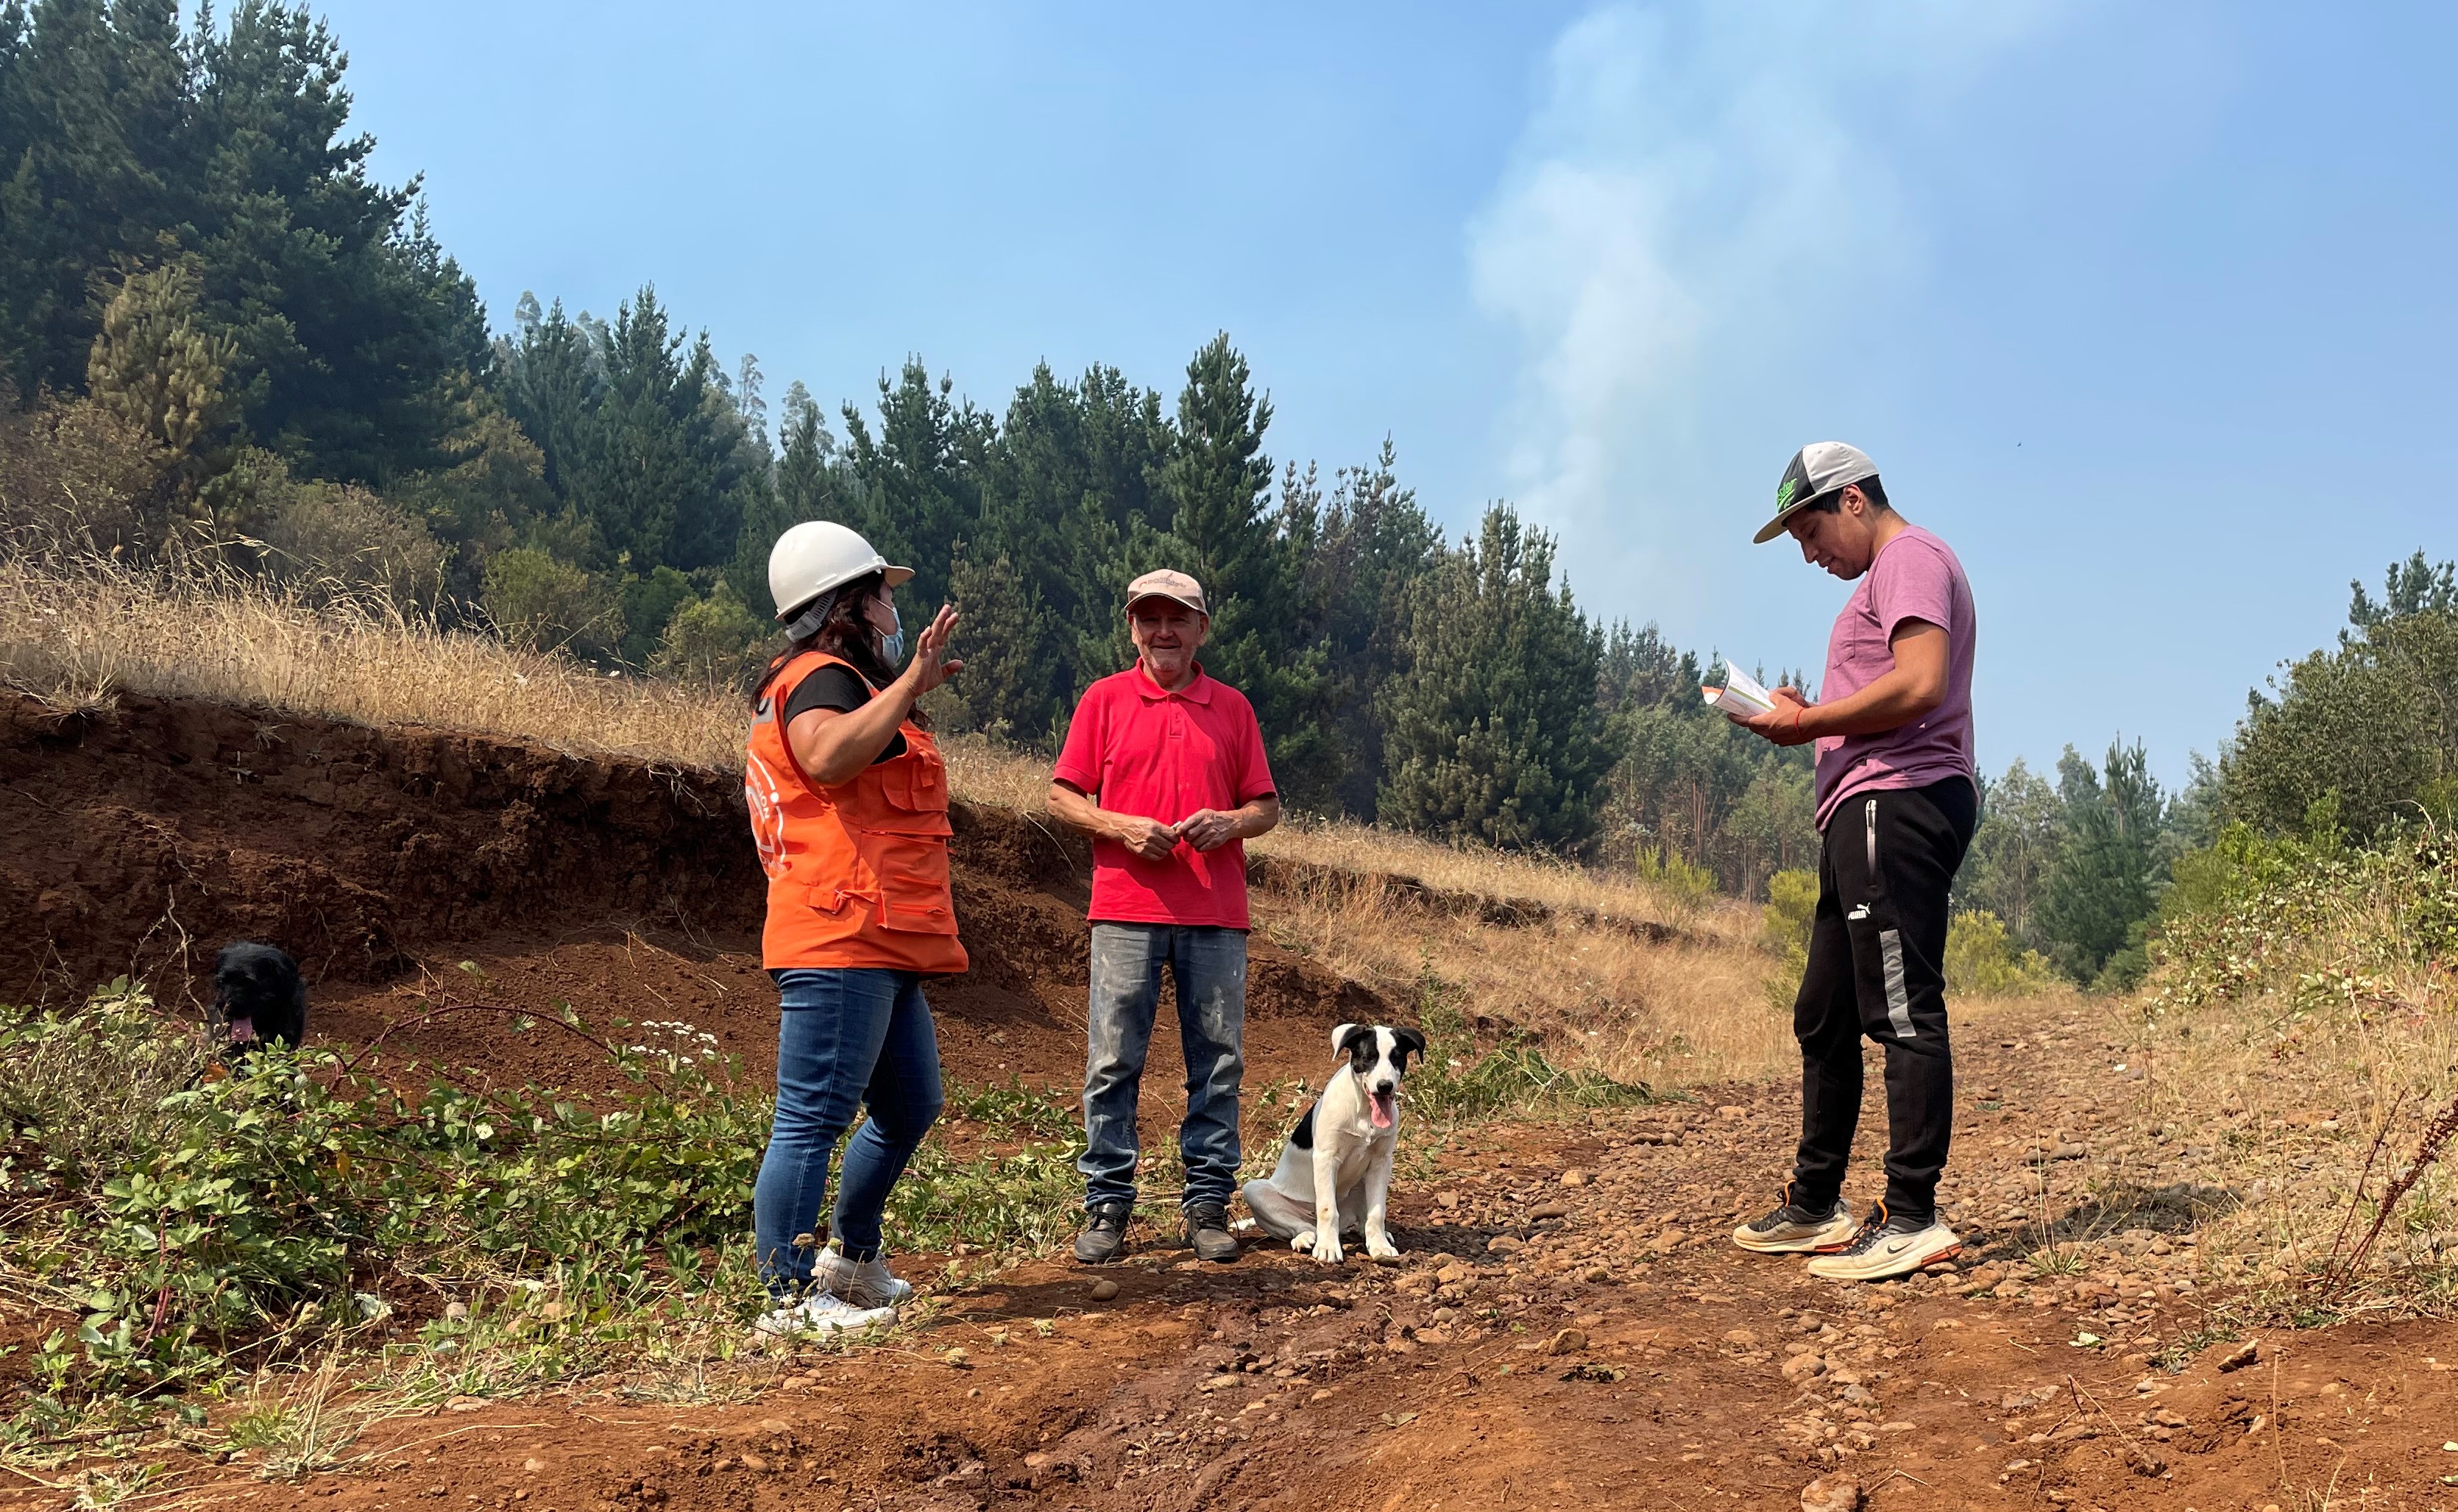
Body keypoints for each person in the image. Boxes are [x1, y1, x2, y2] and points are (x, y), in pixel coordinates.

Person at [1726, 443, 1979, 1282]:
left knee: (1900, 1007)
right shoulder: (1886, 576)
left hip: (1895, 800)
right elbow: (1885, 690)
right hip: (1861, 808)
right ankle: (1815, 1204)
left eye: (1810, 532)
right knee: (1825, 1011)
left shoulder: (1909, 558)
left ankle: (1912, 1217)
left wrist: (1807, 723)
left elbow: (1920, 684)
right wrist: (1813, 711)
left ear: (1854, 501)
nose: (1809, 555)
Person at [743, 519, 964, 1338]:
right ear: (849, 603)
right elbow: (828, 757)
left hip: (877, 934)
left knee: (911, 1103)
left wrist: (900, 688)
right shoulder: (819, 679)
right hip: (839, 934)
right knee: (811, 1117)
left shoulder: (844, 681)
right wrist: (907, 686)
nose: (891, 611)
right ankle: (788, 1298)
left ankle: (851, 1261)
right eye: (882, 594)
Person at [1046, 569, 1280, 1265]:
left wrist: (1229, 821)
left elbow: (1266, 807)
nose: (1163, 631)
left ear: (1202, 628)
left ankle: (1207, 1205)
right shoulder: (1104, 699)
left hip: (1215, 911)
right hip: (1125, 909)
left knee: (1218, 1062)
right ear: (1132, 629)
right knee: (1113, 1059)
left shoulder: (1233, 708)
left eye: (1178, 618)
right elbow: (1062, 797)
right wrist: (1121, 826)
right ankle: (1108, 1204)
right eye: (1149, 618)